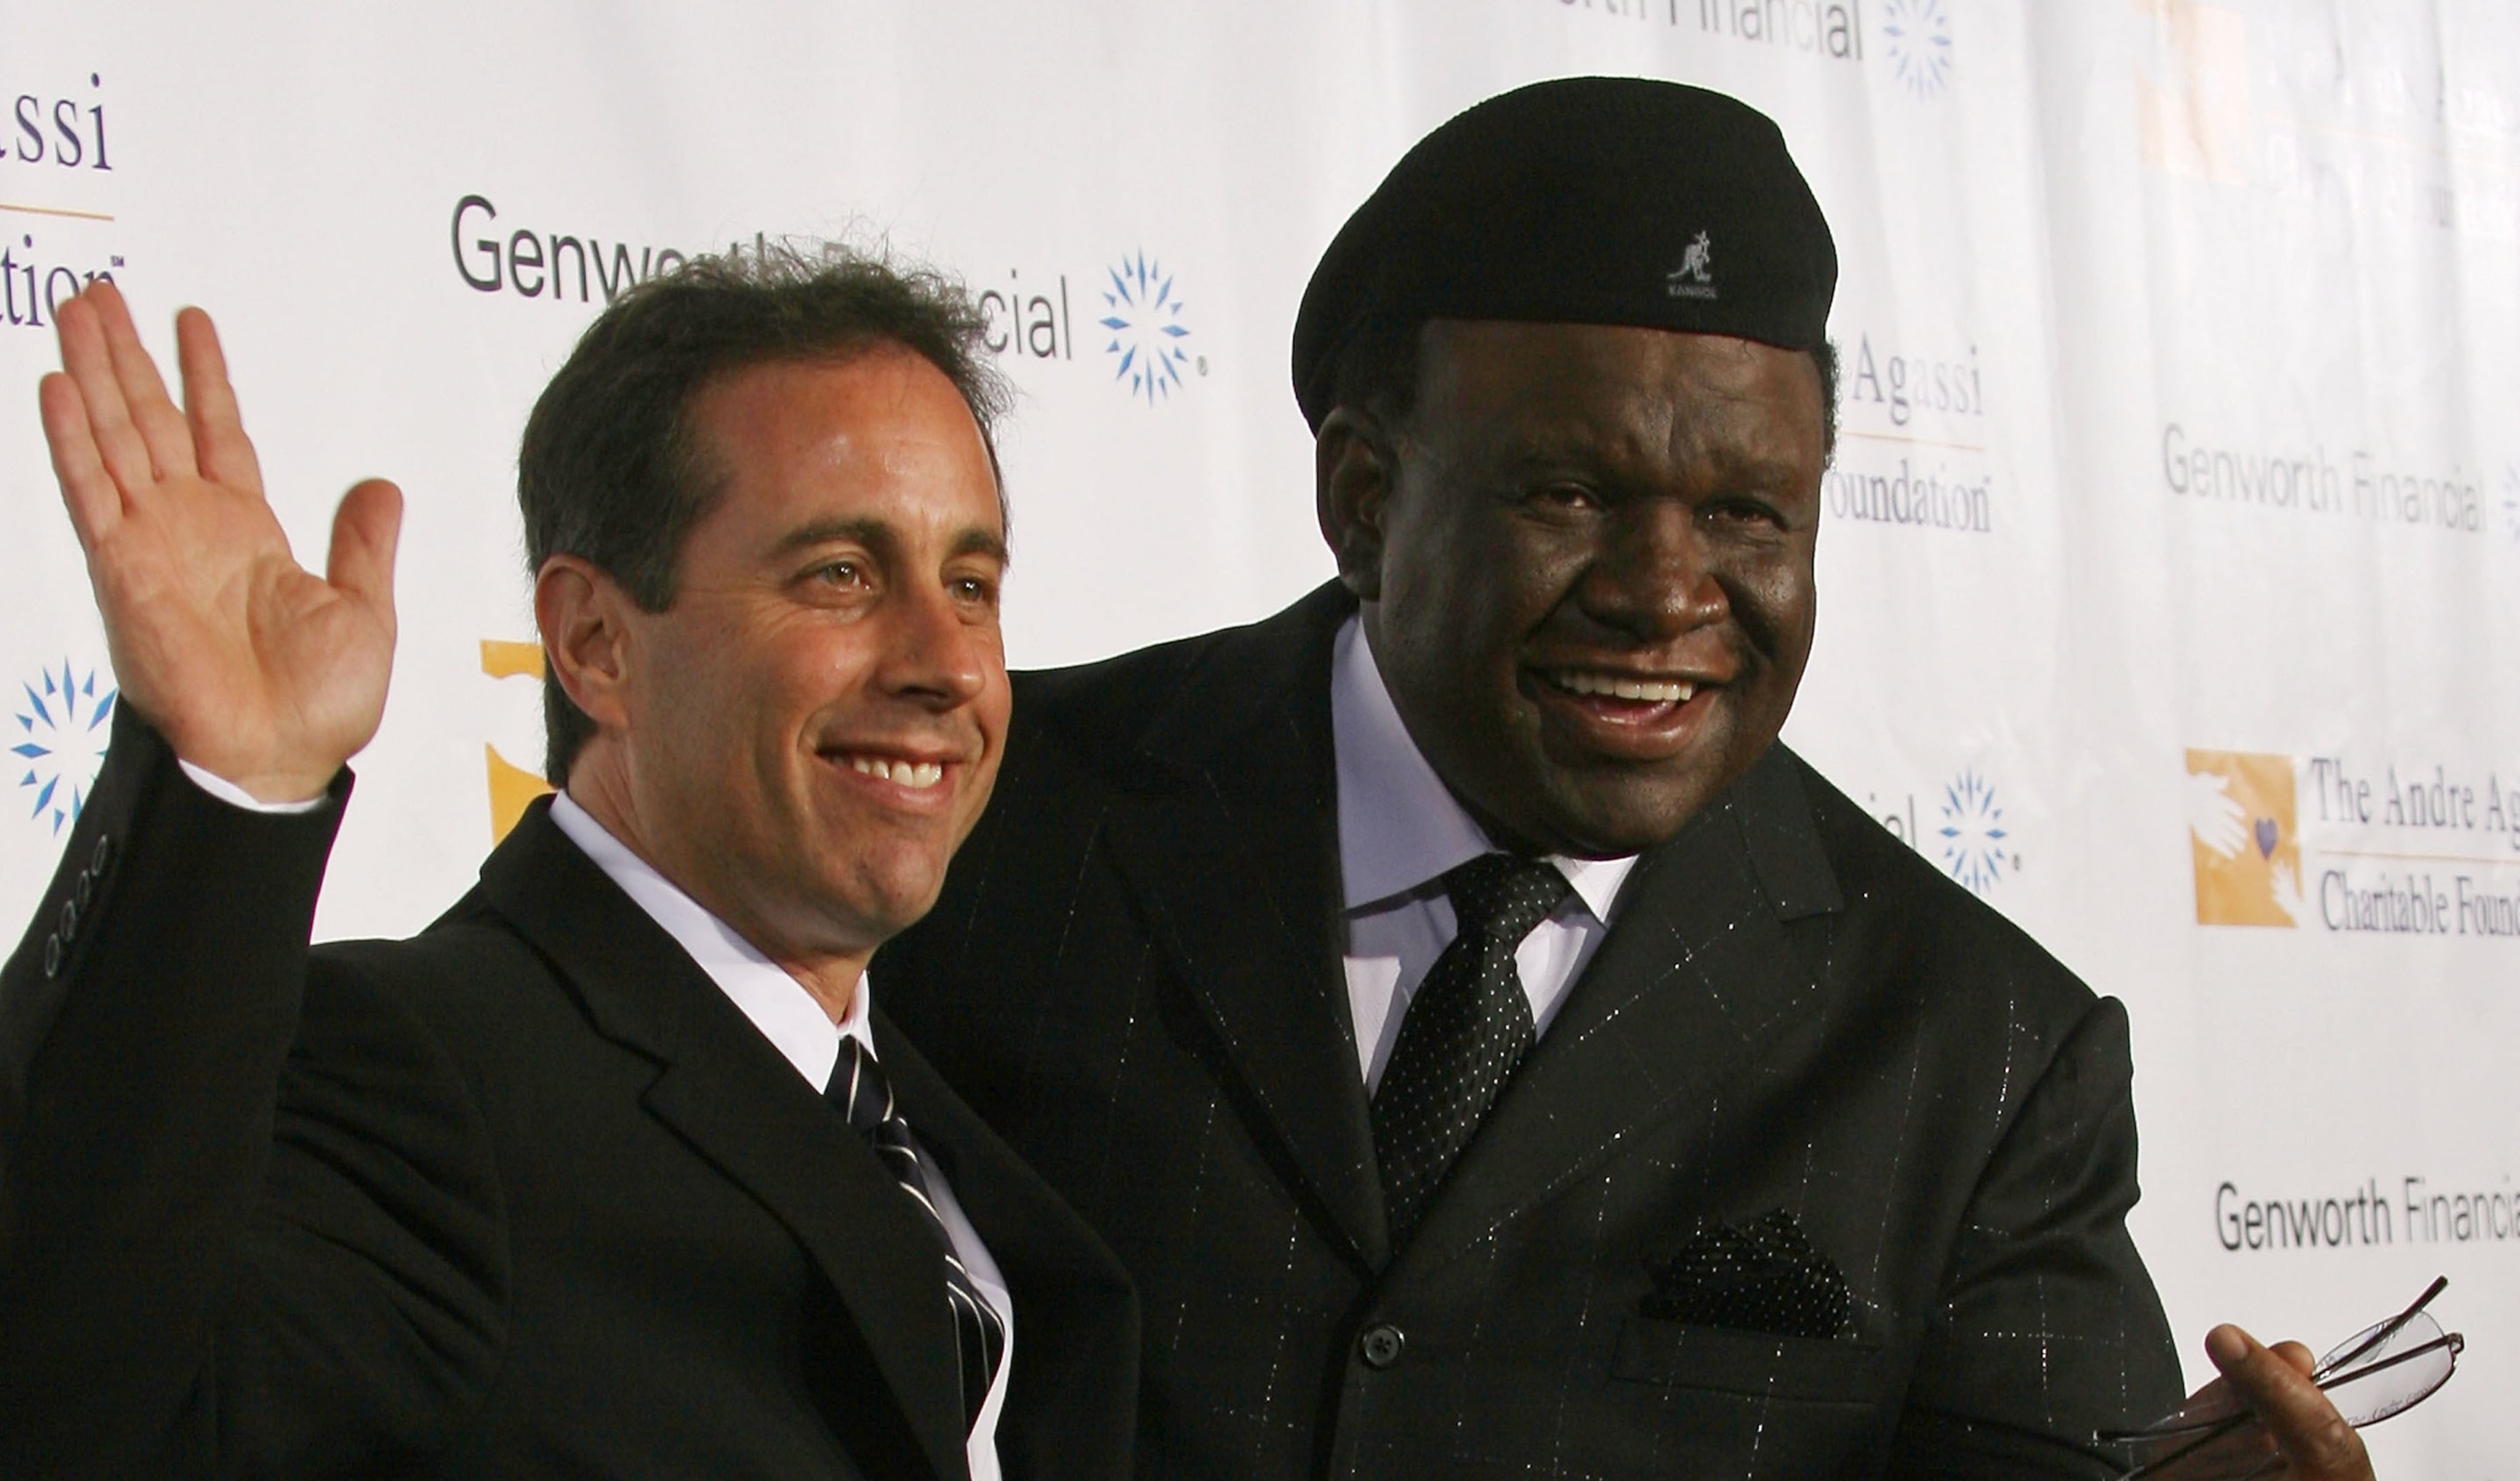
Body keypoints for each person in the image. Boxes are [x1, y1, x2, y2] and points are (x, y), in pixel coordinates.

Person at [873, 78, 2377, 1479]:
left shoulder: (1979, 1054)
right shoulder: (985, 822)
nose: (1667, 595)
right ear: (1362, 498)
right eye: (1571, 494)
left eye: (1747, 514)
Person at [0, 251, 1137, 1480]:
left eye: (971, 584)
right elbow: (26, 1414)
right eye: (841, 575)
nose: (947, 661)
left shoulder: (957, 1111)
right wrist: (224, 795)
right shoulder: (424, 1077)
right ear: (594, 641)